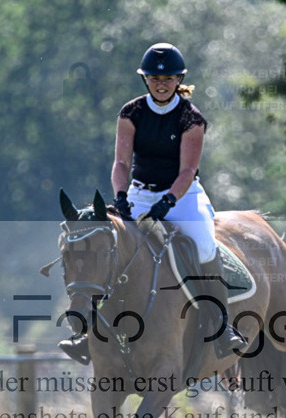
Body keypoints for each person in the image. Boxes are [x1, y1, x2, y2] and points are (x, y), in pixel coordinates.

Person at [59, 42, 245, 365]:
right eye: (155, 78)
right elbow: (121, 163)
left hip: (182, 195)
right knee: (110, 243)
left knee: (203, 244)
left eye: (169, 78)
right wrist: (120, 195)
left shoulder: (191, 118)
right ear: (145, 79)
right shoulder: (131, 112)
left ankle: (222, 325)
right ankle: (86, 334)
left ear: (179, 80)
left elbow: (188, 170)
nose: (161, 84)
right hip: (139, 192)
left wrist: (169, 201)